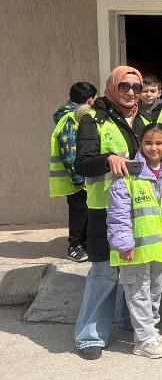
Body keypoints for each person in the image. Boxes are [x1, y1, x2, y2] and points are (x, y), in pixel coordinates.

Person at [73, 67, 148, 359]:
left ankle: (132, 321)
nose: (131, 92)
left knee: (134, 268)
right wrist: (108, 159)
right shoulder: (94, 119)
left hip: (137, 209)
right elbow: (82, 163)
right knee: (103, 272)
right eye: (125, 86)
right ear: (112, 86)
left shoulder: (146, 119)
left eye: (137, 87)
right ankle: (90, 335)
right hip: (103, 208)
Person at [106, 123, 162, 359]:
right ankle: (143, 340)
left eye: (159, 143)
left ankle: (149, 331)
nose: (153, 148)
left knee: (154, 291)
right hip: (134, 248)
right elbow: (118, 212)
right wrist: (123, 243)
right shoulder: (129, 172)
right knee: (138, 292)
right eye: (148, 143)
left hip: (161, 247)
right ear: (140, 144)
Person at [50, 81, 97, 262]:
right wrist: (78, 178)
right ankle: (75, 246)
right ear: (90, 100)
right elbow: (69, 151)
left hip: (81, 177)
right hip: (76, 179)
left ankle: (84, 244)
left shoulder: (72, 115)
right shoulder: (71, 119)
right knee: (79, 213)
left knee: (85, 212)